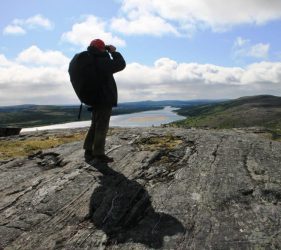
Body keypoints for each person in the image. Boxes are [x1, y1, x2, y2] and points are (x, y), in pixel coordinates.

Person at [83, 39, 126, 162]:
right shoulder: (101, 60)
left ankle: (88, 149)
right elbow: (120, 64)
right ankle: (99, 153)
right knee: (102, 126)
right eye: (104, 48)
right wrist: (114, 52)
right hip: (103, 98)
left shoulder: (90, 60)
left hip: (95, 98)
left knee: (94, 125)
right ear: (101, 49)